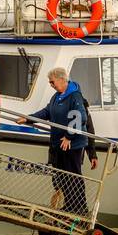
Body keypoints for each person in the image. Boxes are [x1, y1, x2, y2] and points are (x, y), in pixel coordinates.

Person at [28, 67, 90, 214]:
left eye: (52, 82)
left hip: (72, 144)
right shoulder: (57, 96)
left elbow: (80, 116)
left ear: (62, 79)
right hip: (59, 144)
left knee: (73, 174)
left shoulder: (74, 96)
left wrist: (69, 137)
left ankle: (80, 207)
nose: (51, 85)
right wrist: (29, 118)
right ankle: (70, 204)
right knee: (63, 175)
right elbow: (47, 112)